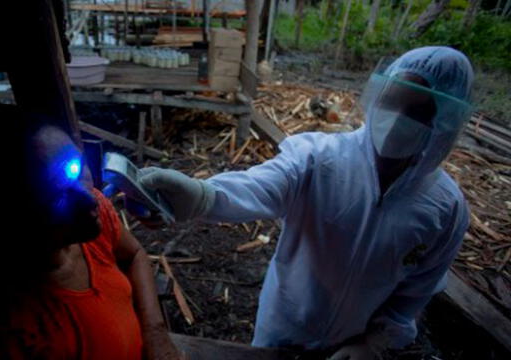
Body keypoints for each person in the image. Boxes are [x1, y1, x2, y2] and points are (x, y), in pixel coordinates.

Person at [133, 46, 474, 359]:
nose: (397, 118)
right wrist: (204, 195)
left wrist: (374, 344)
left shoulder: (445, 209)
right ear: (376, 97)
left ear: (444, 123)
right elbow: (262, 186)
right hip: (283, 327)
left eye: (416, 112)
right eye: (391, 102)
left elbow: (414, 294)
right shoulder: (319, 158)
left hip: (351, 343)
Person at [0, 112, 183, 360]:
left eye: (75, 168)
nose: (88, 197)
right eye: (57, 193)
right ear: (15, 216)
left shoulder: (96, 218)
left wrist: (155, 332)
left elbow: (135, 254)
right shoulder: (17, 328)